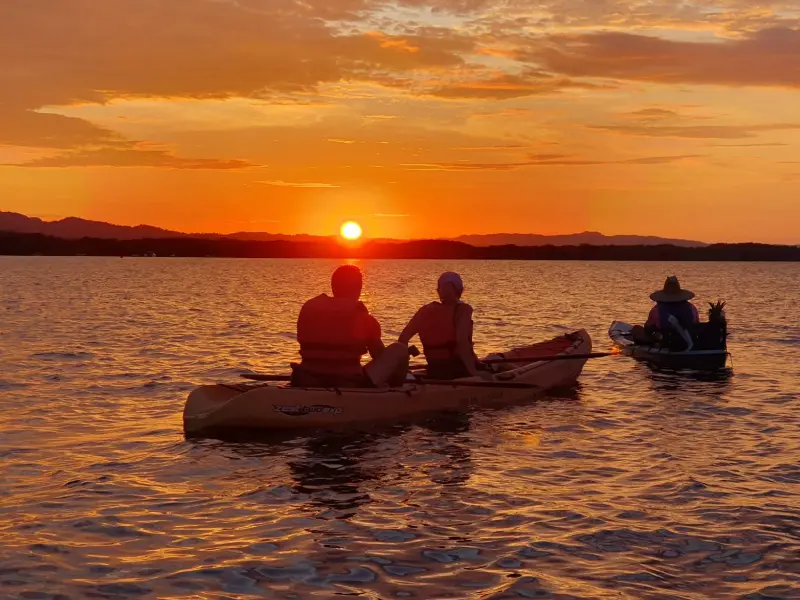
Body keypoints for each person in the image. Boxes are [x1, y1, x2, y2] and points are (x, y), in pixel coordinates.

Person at [293, 265, 408, 388]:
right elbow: (378, 354)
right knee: (399, 349)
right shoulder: (362, 315)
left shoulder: (309, 308)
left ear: (333, 287)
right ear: (358, 288)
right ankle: (395, 394)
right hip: (347, 381)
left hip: (307, 377)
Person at [398, 272, 488, 380]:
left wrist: (404, 369)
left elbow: (402, 339)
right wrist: (473, 371)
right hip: (457, 370)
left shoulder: (425, 311)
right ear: (460, 290)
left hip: (434, 369)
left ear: (438, 291)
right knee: (497, 369)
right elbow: (461, 342)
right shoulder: (463, 310)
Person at [632, 276, 699, 346]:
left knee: (636, 329)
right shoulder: (692, 308)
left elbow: (648, 328)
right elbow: (696, 324)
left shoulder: (656, 310)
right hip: (689, 339)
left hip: (666, 342)